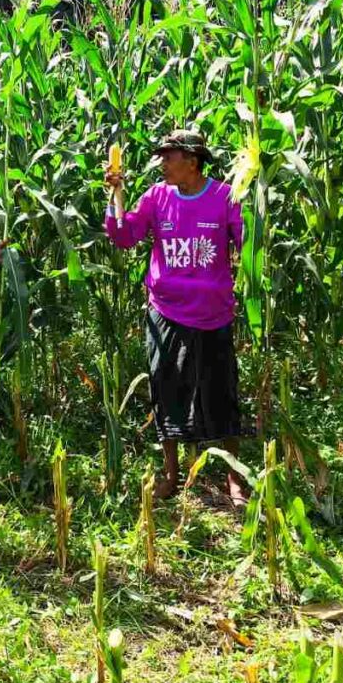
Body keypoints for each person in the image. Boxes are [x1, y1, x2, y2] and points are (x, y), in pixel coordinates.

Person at [104, 129, 245, 503]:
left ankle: (235, 478)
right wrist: (113, 197)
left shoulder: (224, 197)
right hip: (166, 312)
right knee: (167, 391)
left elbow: (249, 244)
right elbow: (124, 236)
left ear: (193, 161)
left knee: (221, 393)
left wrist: (258, 206)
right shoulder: (157, 197)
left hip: (213, 315)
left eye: (169, 156)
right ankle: (172, 473)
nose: (162, 163)